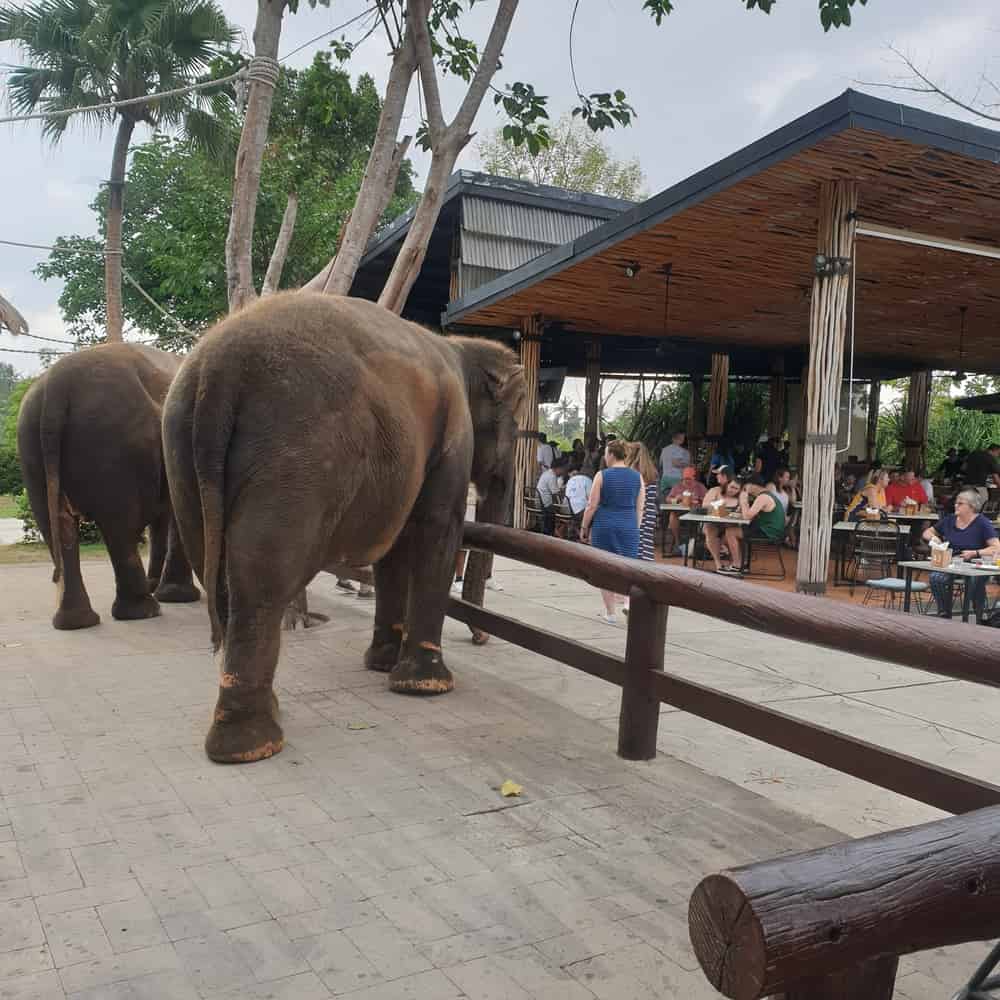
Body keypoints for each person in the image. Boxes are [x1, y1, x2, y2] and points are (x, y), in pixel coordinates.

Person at [581, 440, 643, 625]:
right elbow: (640, 508)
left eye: (606, 454)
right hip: (629, 526)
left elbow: (592, 505)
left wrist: (584, 527)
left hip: (604, 525)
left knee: (603, 567)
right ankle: (628, 602)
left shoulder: (602, 475)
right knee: (629, 567)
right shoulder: (637, 477)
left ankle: (610, 613)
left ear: (611, 455)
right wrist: (635, 528)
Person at [922, 489, 1000, 618]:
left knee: (974, 580)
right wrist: (933, 538)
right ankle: (945, 611)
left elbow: (996, 547)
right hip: (951, 564)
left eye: (960, 503)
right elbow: (926, 532)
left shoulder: (982, 523)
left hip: (975, 565)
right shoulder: (950, 520)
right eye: (956, 503)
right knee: (935, 577)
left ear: (972, 506)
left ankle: (980, 612)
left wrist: (975, 553)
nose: (955, 505)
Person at [720, 479, 786, 575]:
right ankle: (744, 563)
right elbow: (751, 516)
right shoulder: (766, 495)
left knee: (730, 532)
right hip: (770, 530)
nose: (744, 490)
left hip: (769, 532)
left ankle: (736, 566)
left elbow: (747, 516)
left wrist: (743, 500)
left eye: (745, 488)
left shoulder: (763, 497)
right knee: (739, 530)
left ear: (753, 486)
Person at [627, 442, 659, 563]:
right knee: (646, 544)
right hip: (650, 511)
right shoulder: (652, 472)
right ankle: (648, 570)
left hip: (637, 511)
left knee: (635, 544)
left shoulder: (632, 473)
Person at [702, 470, 740, 572]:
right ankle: (718, 563)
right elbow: (705, 505)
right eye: (731, 487)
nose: (733, 490)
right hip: (714, 523)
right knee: (710, 529)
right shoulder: (715, 490)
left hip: (730, 526)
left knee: (730, 532)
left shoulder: (740, 498)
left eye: (736, 488)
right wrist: (720, 505)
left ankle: (734, 562)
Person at [665, 466, 707, 556]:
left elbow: (707, 499)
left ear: (694, 478)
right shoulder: (678, 486)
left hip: (696, 512)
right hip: (681, 512)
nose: (687, 481)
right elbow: (668, 499)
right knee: (672, 516)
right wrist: (677, 499)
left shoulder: (700, 486)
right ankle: (677, 543)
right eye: (685, 479)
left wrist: (698, 499)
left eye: (689, 479)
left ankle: (695, 544)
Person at [537, 456, 568, 534]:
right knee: (566, 510)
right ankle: (557, 532)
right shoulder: (552, 476)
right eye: (563, 469)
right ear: (558, 468)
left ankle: (556, 531)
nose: (563, 471)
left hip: (541, 502)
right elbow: (556, 494)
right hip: (546, 505)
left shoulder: (546, 473)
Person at [659, 431, 690, 496]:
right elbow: (675, 463)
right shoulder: (679, 450)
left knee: (664, 498)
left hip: (665, 477)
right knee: (677, 498)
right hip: (676, 478)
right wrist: (687, 465)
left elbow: (660, 463)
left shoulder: (664, 449)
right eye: (682, 438)